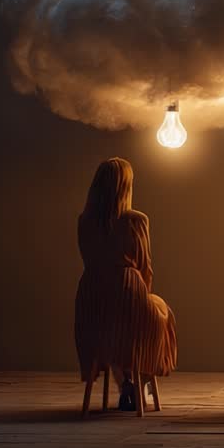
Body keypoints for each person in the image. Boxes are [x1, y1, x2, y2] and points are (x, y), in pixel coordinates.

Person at [75, 157, 178, 411]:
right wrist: (144, 294)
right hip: (128, 287)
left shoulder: (84, 220)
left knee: (107, 330)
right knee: (155, 319)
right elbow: (145, 265)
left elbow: (88, 257)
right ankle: (137, 382)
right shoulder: (135, 219)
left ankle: (126, 385)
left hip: (90, 293)